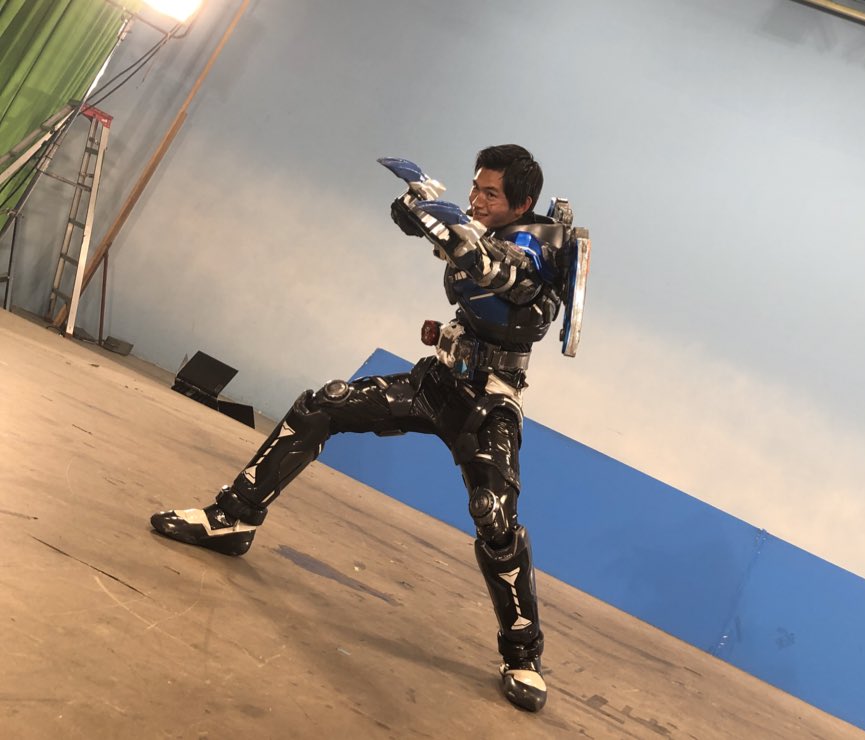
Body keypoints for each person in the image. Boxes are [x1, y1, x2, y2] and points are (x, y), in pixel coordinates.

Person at [151, 144, 583, 713]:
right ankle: (232, 520)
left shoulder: (537, 250)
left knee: (494, 516)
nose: (477, 200)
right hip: (437, 383)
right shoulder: (486, 231)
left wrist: (444, 222)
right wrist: (420, 215)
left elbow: (496, 271)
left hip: (488, 404)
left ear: (522, 203)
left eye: (490, 194)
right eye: (474, 188)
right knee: (322, 406)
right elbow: (463, 250)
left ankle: (523, 655)